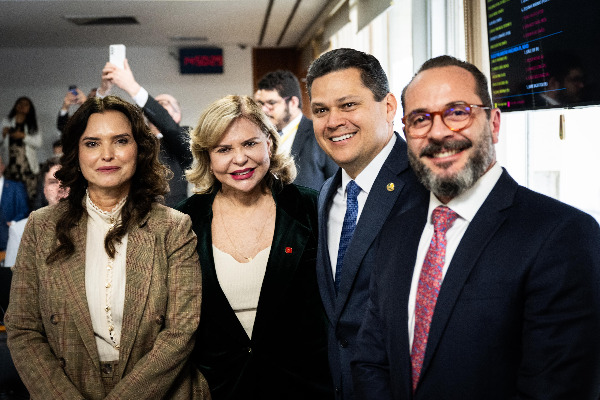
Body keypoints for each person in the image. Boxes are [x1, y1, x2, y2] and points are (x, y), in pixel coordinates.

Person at [352, 55, 600, 399]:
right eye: (420, 119)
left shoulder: (563, 235)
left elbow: (556, 389)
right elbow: (370, 361)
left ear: (494, 124)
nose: (438, 132)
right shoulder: (396, 230)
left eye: (457, 113)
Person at [4, 95, 210, 399]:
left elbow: (182, 331)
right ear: (75, 152)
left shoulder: (173, 227)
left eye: (121, 141)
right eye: (92, 143)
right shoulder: (41, 227)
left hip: (160, 391)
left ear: (140, 149)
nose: (107, 155)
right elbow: (23, 329)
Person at [177, 95, 332, 399]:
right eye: (224, 149)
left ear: (269, 144)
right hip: (219, 388)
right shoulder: (184, 221)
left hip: (305, 386)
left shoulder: (310, 208)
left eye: (250, 144)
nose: (239, 159)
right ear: (207, 157)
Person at [305, 48, 428, 399]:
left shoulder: (427, 187)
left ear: (388, 107)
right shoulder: (327, 194)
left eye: (348, 105)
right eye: (321, 110)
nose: (333, 122)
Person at [100, 59, 193, 207]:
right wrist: (103, 92)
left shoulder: (185, 134)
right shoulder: (136, 139)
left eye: (163, 105)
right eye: (155, 105)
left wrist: (131, 86)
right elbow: (101, 129)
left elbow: (169, 126)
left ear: (177, 116)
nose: (155, 109)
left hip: (173, 213)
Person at [255, 70, 337, 190]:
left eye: (271, 103)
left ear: (293, 103)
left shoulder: (321, 134)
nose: (264, 110)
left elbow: (338, 186)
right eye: (261, 103)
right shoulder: (261, 136)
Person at [5, 156, 68, 268]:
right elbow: (11, 277)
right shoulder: (20, 231)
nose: (60, 188)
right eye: (53, 182)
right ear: (44, 190)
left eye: (66, 181)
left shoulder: (91, 226)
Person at [1, 97, 42, 204]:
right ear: (15, 105)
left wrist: (23, 136)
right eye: (19, 103)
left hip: (27, 168)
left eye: (26, 104)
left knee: (30, 198)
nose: (22, 106)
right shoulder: (6, 121)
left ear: (30, 109)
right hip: (10, 167)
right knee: (11, 199)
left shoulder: (33, 123)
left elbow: (38, 143)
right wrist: (3, 135)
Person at [0, 154, 29, 256]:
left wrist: (13, 223)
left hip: (9, 240)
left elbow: (24, 210)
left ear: (2, 167)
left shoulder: (15, 187)